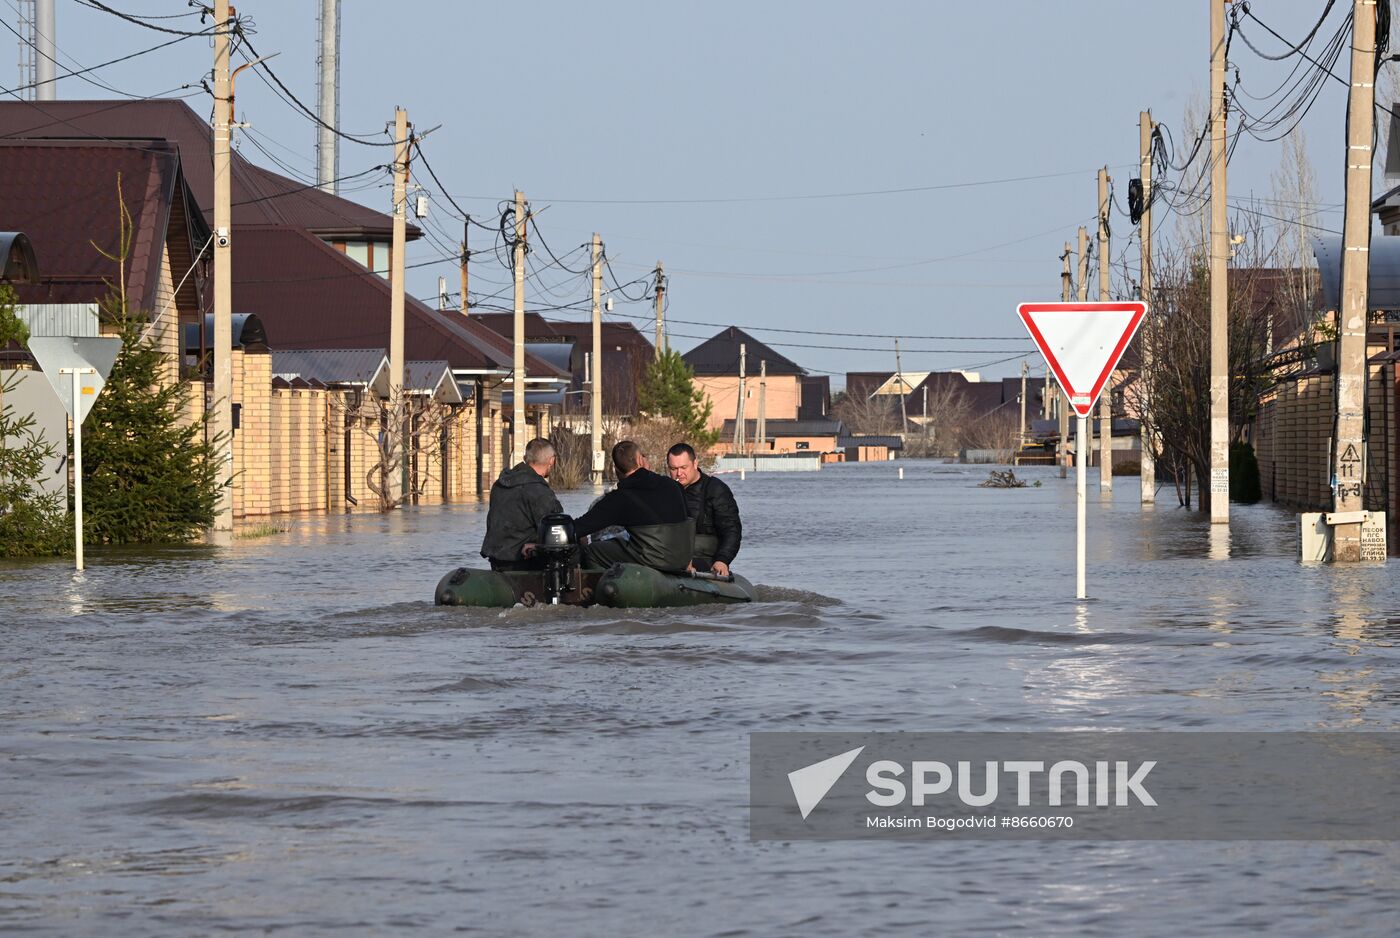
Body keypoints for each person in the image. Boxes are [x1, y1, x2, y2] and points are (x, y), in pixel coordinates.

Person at [575, 441, 693, 572]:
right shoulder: (673, 485)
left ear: (616, 469)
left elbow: (580, 527)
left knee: (592, 551)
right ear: (640, 460)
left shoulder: (619, 498)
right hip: (683, 559)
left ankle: (603, 589)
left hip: (651, 561)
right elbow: (689, 522)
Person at [479, 438, 563, 571]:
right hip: (524, 560)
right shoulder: (539, 491)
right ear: (551, 461)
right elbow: (555, 529)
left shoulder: (500, 484)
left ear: (525, 458)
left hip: (496, 559)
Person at [665, 442, 742, 577]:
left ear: (695, 464)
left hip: (705, 559)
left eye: (683, 467)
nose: (679, 473)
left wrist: (722, 560)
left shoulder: (716, 490)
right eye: (673, 468)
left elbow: (731, 530)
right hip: (671, 555)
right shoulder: (664, 490)